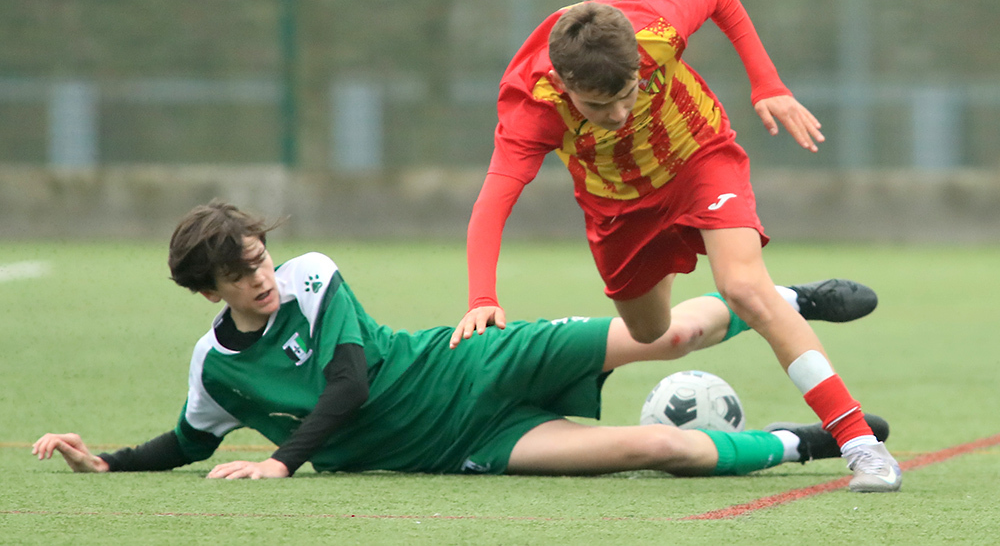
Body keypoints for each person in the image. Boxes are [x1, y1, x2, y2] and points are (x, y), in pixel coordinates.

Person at [34, 201, 893, 490]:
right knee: (662, 447)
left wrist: (281, 462)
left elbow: (348, 383)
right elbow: (189, 440)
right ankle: (799, 443)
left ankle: (785, 299)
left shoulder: (311, 276)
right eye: (239, 274)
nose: (261, 278)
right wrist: (106, 461)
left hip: (472, 359)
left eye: (259, 259)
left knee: (669, 334)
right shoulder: (217, 367)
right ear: (208, 290)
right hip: (463, 446)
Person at [454, 0, 901, 492]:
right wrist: (482, 296)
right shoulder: (533, 106)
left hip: (699, 158)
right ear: (564, 82)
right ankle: (787, 301)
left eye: (629, 93)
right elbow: (492, 203)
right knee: (655, 334)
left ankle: (861, 446)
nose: (619, 114)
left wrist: (766, 82)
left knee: (743, 287)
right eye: (597, 106)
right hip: (620, 208)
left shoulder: (654, 26)